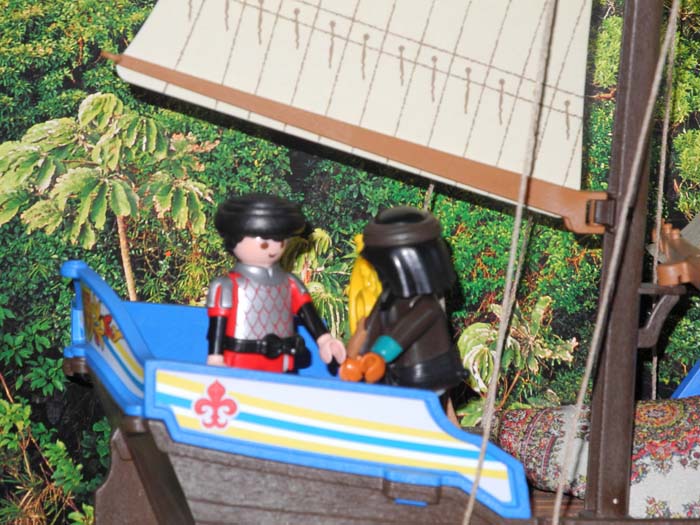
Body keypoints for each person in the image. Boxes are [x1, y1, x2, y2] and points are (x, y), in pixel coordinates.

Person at [206, 193, 346, 372]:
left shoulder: (290, 283)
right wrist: (215, 356)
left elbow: (307, 313)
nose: (273, 249)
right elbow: (217, 324)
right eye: (264, 244)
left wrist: (324, 340)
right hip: (240, 360)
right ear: (235, 241)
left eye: (280, 242)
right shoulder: (227, 285)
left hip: (282, 362)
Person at [340, 206, 466, 392]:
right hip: (396, 376)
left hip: (422, 378)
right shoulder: (388, 297)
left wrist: (377, 356)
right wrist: (354, 358)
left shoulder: (426, 306)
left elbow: (401, 335)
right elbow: (369, 327)